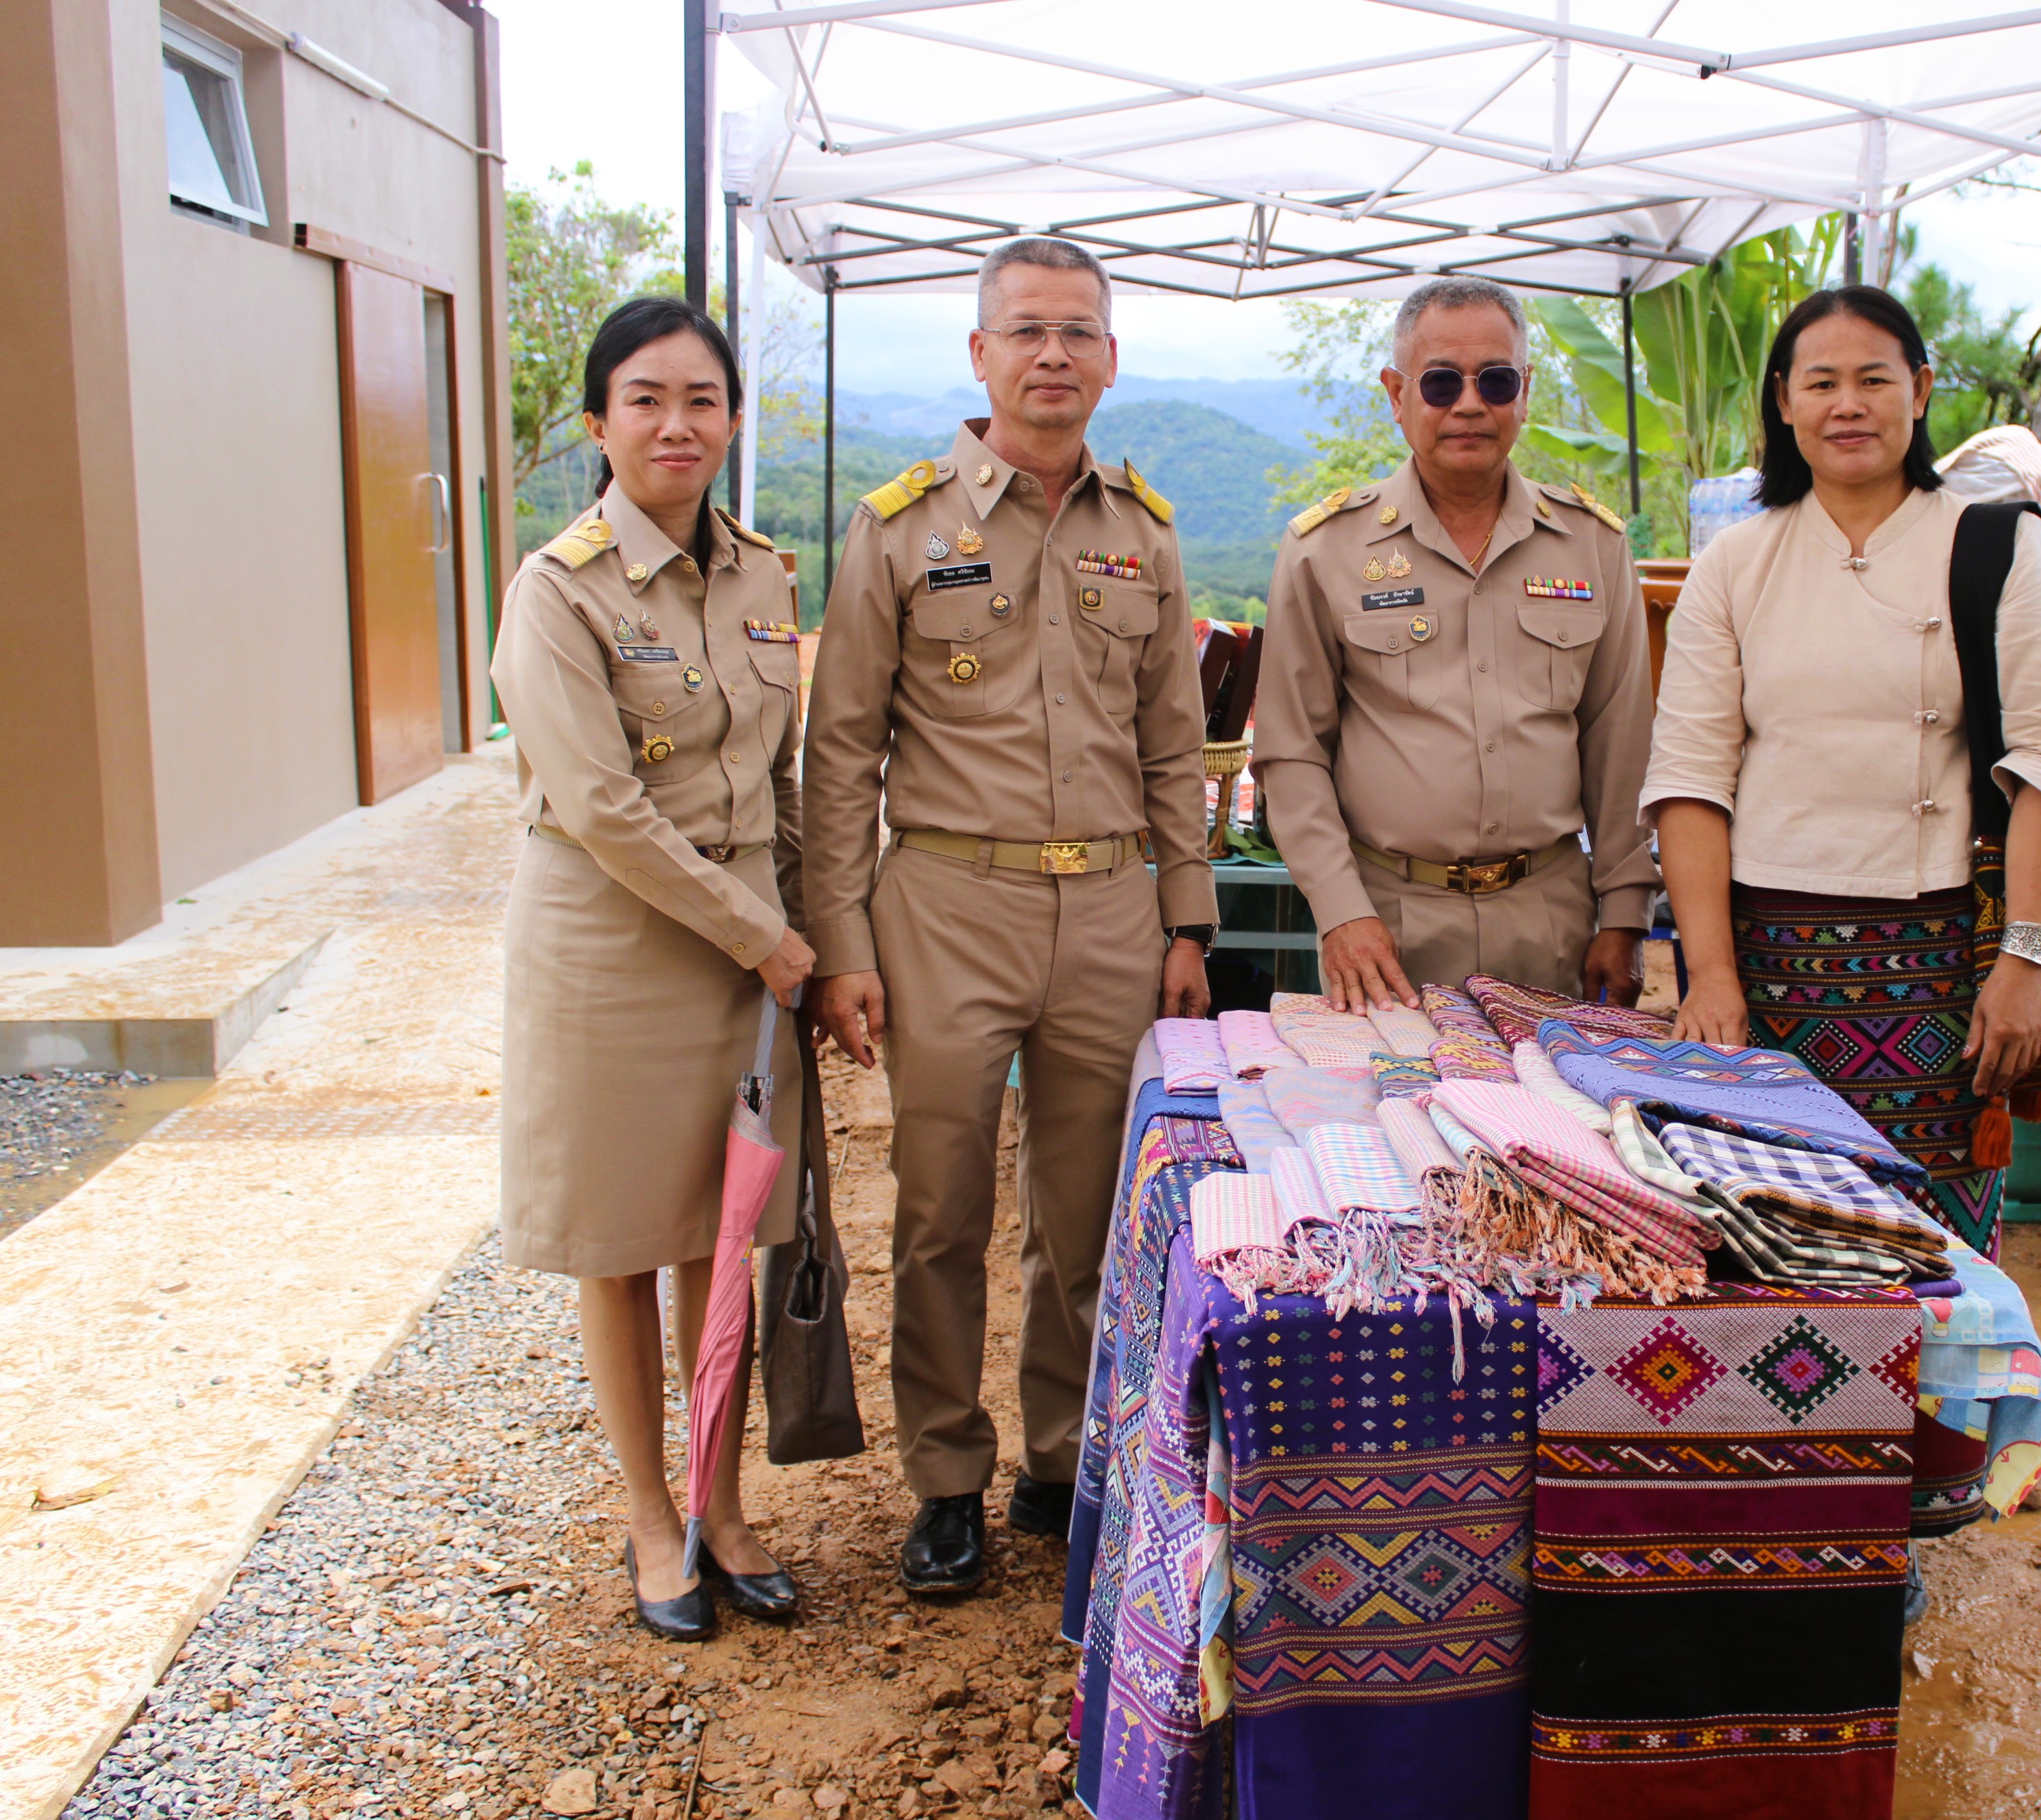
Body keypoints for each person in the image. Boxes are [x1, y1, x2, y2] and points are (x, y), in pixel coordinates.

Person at [804, 238, 1215, 1597]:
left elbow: (1176, 751)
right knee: (938, 1206)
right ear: (979, 356)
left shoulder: (1143, 532)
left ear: (1111, 356)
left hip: (1107, 903)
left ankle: (1060, 1454)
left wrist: (1188, 922)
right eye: (1028, 331)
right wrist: (844, 944)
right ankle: (943, 1474)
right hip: (945, 902)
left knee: (1086, 1208)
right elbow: (839, 751)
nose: (1055, 354)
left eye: (1080, 331)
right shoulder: (900, 527)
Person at [1643, 285, 2041, 1255]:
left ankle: (1947, 1411)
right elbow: (1689, 781)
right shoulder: (1734, 562)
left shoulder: (2000, 547)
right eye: (1823, 383)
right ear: (1786, 403)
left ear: (1921, 391)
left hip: (1938, 967)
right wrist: (1710, 973)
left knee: (1930, 1255)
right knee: (1769, 1253)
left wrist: (2022, 963)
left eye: (1874, 379)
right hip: (1765, 967)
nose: (1849, 405)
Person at [491, 296, 811, 1641]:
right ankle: (647, 1513)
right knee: (623, 1244)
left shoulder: (762, 576)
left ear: (733, 420)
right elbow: (606, 809)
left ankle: (720, 1501)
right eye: (645, 398)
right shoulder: (555, 586)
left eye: (701, 398)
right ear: (597, 424)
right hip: (611, 951)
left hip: (745, 949)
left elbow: (778, 779)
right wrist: (769, 936)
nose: (676, 423)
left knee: (724, 1237)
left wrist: (812, 938)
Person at [1256, 276, 1657, 1014]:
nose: (1470, 404)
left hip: (1551, 921)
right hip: (1386, 928)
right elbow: (1292, 752)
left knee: (1550, 1128)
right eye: (1441, 383)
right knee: (1388, 1126)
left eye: (1496, 380)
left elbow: (1621, 743)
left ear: (1525, 391)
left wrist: (1626, 915)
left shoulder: (1592, 546)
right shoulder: (1327, 549)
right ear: (1396, 393)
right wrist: (1342, 909)